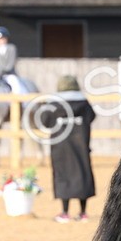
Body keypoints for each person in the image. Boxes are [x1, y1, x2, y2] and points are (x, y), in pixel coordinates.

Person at [48, 75, 96, 222]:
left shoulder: (54, 104)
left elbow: (46, 121)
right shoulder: (84, 103)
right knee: (82, 174)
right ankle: (83, 213)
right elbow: (92, 117)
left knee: (63, 175)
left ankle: (64, 212)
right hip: (80, 144)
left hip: (61, 147)